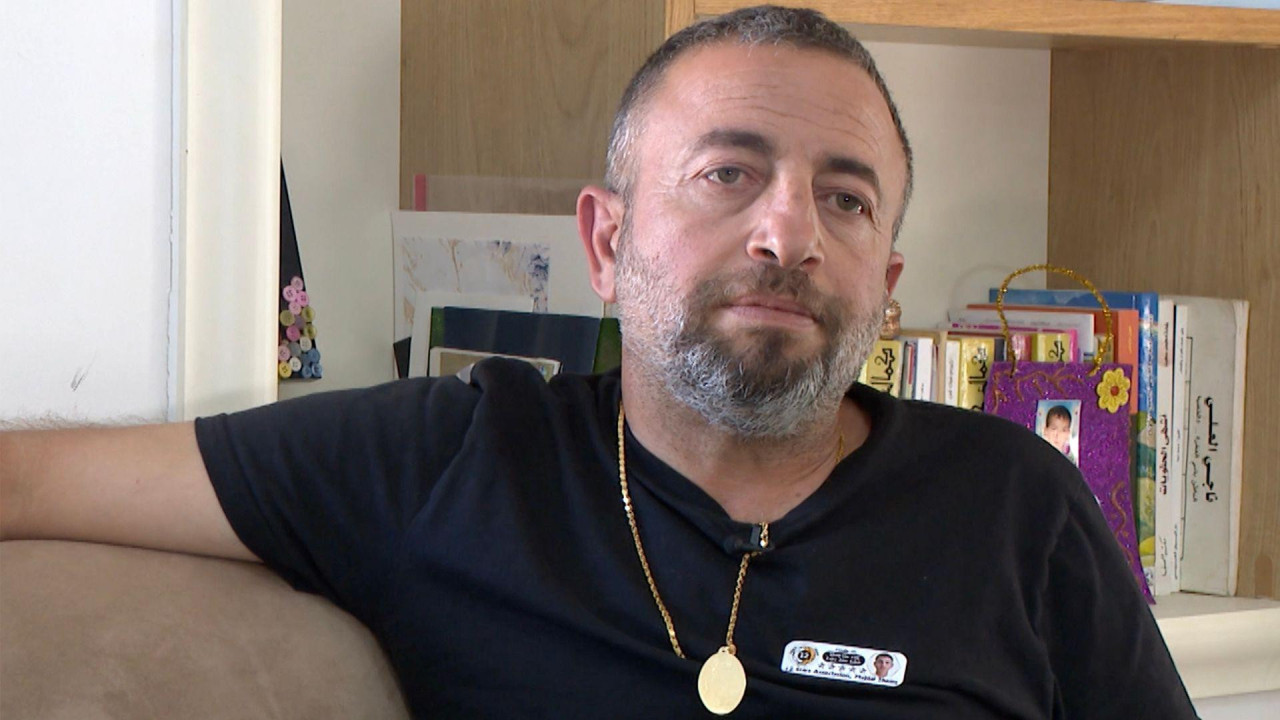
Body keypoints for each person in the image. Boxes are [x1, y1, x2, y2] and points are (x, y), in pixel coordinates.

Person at [0, 5, 1198, 718]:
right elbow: (27, 483)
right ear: (605, 244)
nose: (787, 232)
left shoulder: (1012, 507)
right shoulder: (452, 463)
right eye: (727, 174)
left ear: (883, 284)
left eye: (843, 198)